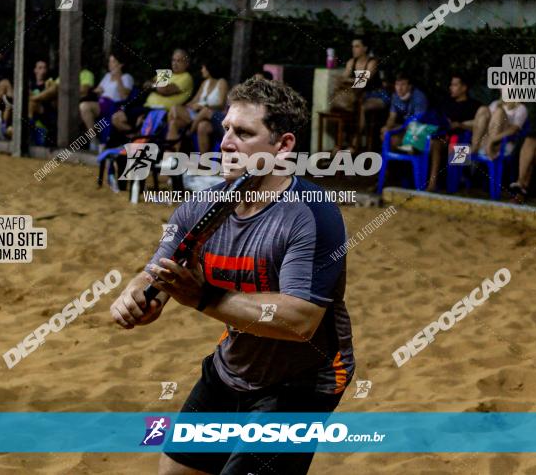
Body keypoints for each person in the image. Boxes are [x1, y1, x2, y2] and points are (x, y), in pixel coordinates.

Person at [111, 78, 355, 475]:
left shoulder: (311, 213)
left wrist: (205, 298)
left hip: (303, 383)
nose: (225, 142)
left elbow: (299, 322)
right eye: (226, 129)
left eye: (243, 133)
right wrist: (137, 294)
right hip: (232, 368)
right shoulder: (200, 207)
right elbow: (155, 272)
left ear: (284, 145)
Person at [110, 48, 193, 135]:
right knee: (116, 118)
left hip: (162, 111)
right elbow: (146, 84)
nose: (175, 63)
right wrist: (158, 86)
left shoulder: (186, 77)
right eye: (173, 60)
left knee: (138, 120)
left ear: (186, 63)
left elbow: (165, 90)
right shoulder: (166, 73)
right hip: (147, 107)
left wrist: (155, 86)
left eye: (179, 61)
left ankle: (137, 140)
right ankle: (135, 139)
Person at [426, 75, 482, 191]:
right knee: (434, 142)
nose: (451, 88)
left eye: (455, 85)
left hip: (464, 141)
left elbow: (480, 127)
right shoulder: (446, 103)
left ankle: (455, 185)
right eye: (451, 85)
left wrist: (461, 125)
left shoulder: (475, 106)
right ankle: (432, 183)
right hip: (443, 138)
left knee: (457, 144)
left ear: (464, 88)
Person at [164, 59, 228, 153]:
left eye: (203, 68)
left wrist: (203, 106)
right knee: (174, 121)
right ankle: (169, 157)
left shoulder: (222, 82)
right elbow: (194, 100)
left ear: (209, 69)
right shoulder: (204, 83)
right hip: (195, 115)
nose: (202, 70)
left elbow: (221, 104)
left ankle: (190, 131)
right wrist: (189, 105)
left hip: (209, 116)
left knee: (176, 111)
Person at [341, 36, 387, 152]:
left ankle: (354, 144)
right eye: (353, 46)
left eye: (357, 46)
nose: (353, 49)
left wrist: (351, 81)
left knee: (362, 106)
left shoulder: (372, 62)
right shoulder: (352, 62)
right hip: (360, 96)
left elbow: (363, 81)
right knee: (348, 107)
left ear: (365, 48)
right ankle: (343, 143)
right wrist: (353, 81)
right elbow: (342, 80)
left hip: (378, 95)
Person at [79, 54, 134, 142]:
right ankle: (93, 140)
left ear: (120, 65)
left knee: (85, 107)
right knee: (83, 107)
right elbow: (97, 90)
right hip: (101, 103)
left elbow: (124, 96)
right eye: (109, 61)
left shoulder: (126, 77)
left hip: (114, 105)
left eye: (113, 62)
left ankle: (94, 140)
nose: (110, 64)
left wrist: (118, 78)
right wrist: (98, 91)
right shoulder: (107, 76)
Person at [380, 72, 428, 150]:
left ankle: (410, 158)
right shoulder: (395, 96)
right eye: (397, 84)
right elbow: (392, 117)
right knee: (384, 134)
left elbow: (416, 123)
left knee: (393, 139)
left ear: (409, 86)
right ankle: (393, 159)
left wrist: (397, 128)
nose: (399, 88)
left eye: (403, 84)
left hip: (420, 130)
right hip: (406, 128)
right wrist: (388, 127)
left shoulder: (419, 97)